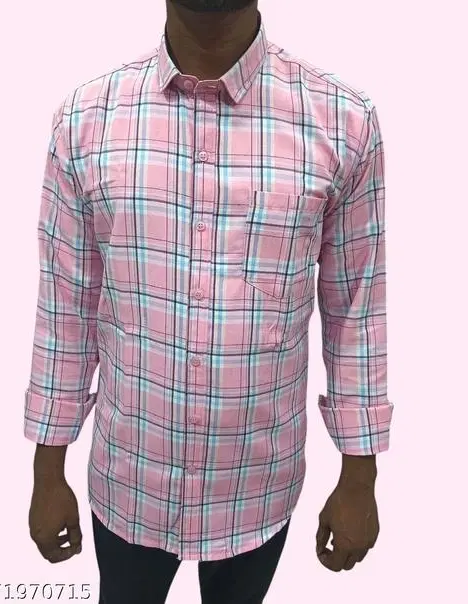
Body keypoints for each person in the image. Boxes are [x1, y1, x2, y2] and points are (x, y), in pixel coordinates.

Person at [24, 0, 394, 602]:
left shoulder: (342, 122)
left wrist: (360, 475)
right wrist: (47, 470)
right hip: (129, 484)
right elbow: (66, 307)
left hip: (258, 490)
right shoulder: (87, 121)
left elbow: (356, 309)